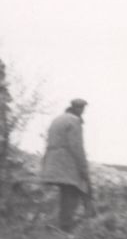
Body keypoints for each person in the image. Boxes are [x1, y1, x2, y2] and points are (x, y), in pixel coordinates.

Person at [40, 98, 95, 232]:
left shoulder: (58, 119)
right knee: (74, 190)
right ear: (78, 109)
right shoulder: (74, 121)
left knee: (66, 191)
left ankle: (61, 224)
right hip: (65, 162)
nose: (82, 112)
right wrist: (83, 168)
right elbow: (76, 147)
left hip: (52, 162)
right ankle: (66, 226)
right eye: (82, 109)